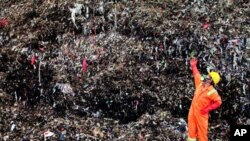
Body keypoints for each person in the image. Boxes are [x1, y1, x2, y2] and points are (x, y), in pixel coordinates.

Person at [187, 58, 222, 141]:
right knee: (191, 132)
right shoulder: (200, 84)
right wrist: (194, 66)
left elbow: (218, 102)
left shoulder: (212, 92)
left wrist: (207, 109)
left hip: (201, 114)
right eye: (208, 75)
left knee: (202, 133)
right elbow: (196, 75)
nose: (207, 77)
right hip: (192, 111)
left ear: (211, 81)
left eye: (209, 77)